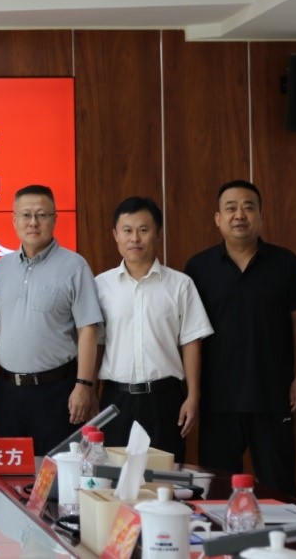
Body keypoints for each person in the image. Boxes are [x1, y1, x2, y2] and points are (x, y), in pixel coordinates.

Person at [185, 180, 296, 496]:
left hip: (272, 395)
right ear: (218, 218)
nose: (239, 215)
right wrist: (193, 392)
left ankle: (282, 531)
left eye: (248, 207)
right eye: (231, 208)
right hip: (218, 399)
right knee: (216, 489)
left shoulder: (286, 263)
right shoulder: (198, 268)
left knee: (279, 487)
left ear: (261, 216)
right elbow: (190, 337)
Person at [94, 196, 212, 461]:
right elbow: (96, 342)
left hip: (164, 400)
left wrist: (193, 396)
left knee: (164, 477)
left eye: (143, 230)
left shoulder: (180, 284)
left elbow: (191, 343)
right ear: (115, 235)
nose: (135, 238)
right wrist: (90, 391)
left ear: (157, 234)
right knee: (115, 477)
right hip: (115, 400)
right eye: (127, 230)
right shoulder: (101, 285)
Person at [0, 184, 102, 455]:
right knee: (13, 470)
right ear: (14, 220)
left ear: (54, 219)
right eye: (26, 215)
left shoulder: (74, 266)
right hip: (8, 390)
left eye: (41, 215)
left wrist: (84, 385)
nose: (33, 222)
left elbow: (88, 330)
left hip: (57, 391)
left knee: (57, 471)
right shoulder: (1, 268)